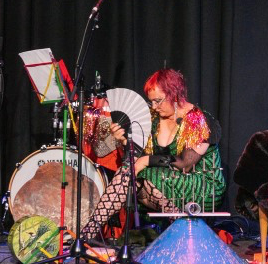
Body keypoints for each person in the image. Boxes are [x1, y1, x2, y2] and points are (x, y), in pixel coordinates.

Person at [82, 68, 224, 238]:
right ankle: (89, 232)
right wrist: (124, 142)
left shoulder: (198, 119)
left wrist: (145, 161)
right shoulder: (154, 119)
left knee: (140, 172)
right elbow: (136, 156)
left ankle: (87, 233)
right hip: (168, 179)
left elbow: (185, 163)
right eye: (152, 102)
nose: (155, 107)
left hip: (201, 183)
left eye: (158, 101)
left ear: (175, 94)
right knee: (129, 175)